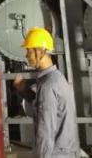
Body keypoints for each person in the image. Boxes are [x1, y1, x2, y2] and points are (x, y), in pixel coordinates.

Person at [13, 27, 80, 158]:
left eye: (29, 51)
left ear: (40, 51)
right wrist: (24, 91)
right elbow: (40, 108)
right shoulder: (55, 77)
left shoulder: (48, 86)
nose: (27, 56)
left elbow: (46, 130)